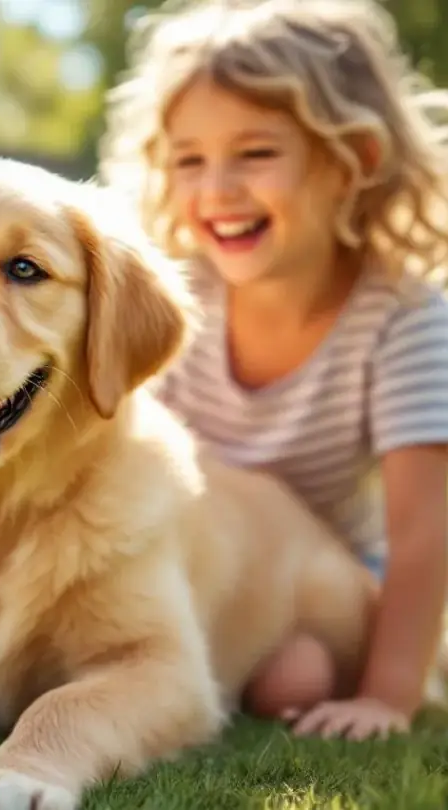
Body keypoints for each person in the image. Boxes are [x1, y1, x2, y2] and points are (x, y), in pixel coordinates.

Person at [98, 0, 448, 741]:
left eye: (255, 153)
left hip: (308, 584)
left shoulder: (402, 319)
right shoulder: (175, 299)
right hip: (189, 568)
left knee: (299, 680)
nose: (216, 189)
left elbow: (423, 531)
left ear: (354, 160)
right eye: (189, 159)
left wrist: (387, 696)